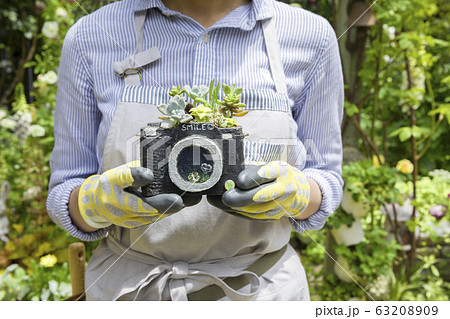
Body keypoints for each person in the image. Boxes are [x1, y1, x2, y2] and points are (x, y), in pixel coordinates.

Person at [47, 0, 343, 300]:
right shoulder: (90, 35)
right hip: (130, 291)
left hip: (265, 292)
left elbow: (326, 177)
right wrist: (96, 203)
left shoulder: (311, 35)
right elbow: (65, 189)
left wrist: (298, 194)